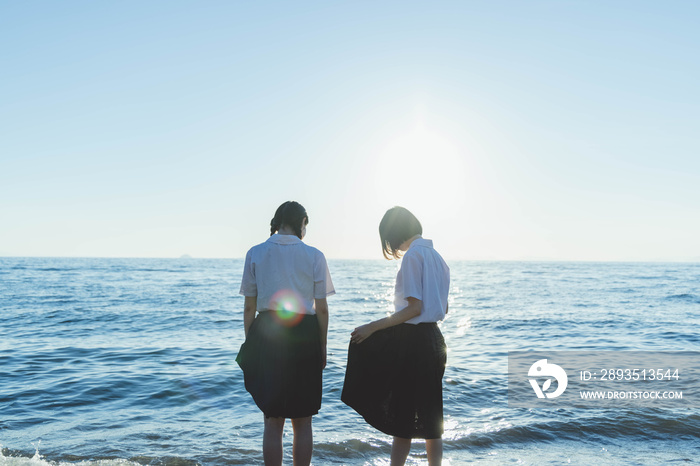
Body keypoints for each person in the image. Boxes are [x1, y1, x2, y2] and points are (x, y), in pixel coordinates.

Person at [342, 206, 449, 465]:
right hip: (434, 339)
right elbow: (442, 309)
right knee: (431, 418)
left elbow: (414, 308)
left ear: (393, 234)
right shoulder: (438, 258)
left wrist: (372, 327)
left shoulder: (413, 256)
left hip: (413, 343)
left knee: (403, 418)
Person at [236, 201, 334, 466]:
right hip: (305, 334)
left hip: (268, 333)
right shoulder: (314, 255)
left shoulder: (255, 253)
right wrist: (322, 346)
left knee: (272, 420)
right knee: (303, 421)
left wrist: (250, 343)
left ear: (278, 221)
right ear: (301, 222)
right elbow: (322, 310)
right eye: (306, 225)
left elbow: (249, 307)